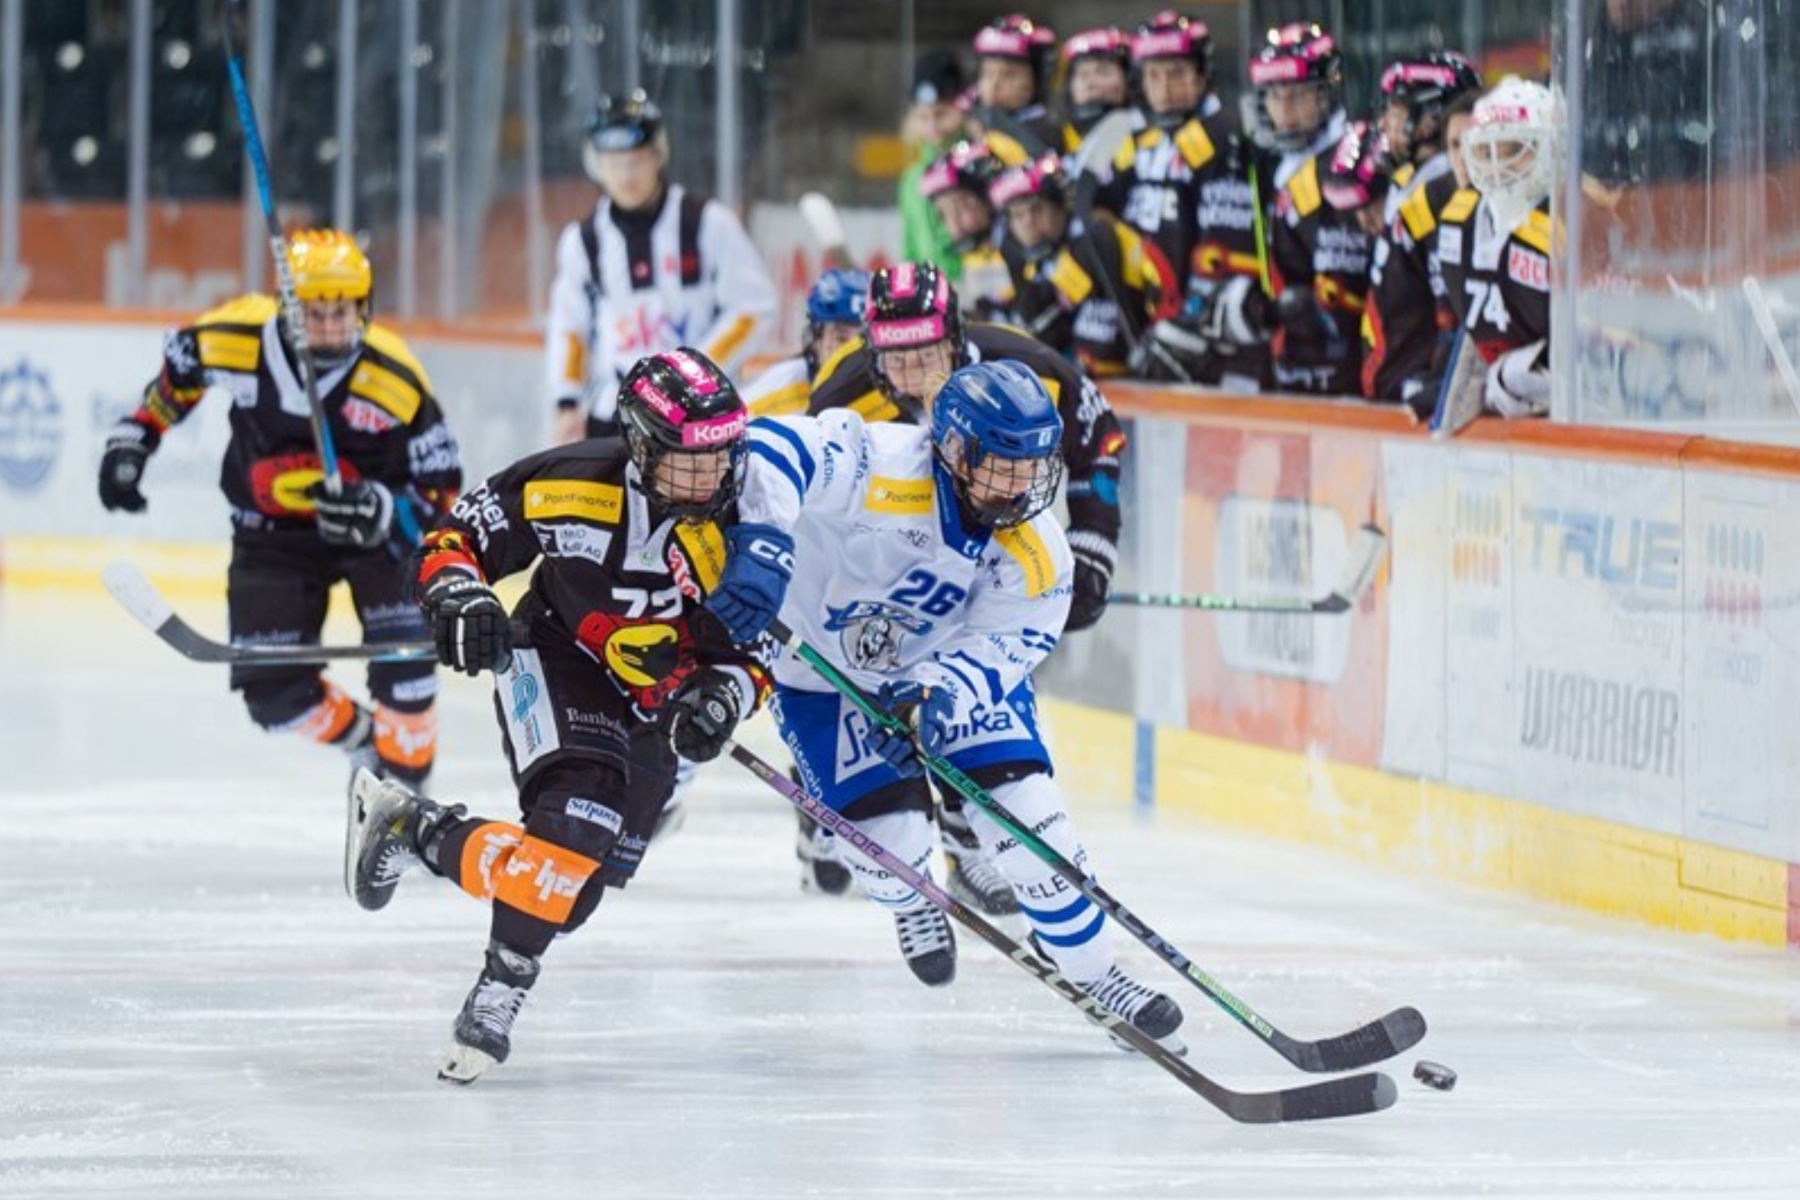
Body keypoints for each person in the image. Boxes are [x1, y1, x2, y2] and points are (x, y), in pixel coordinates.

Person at [717, 359, 1183, 1051]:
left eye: (1034, 468)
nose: (1023, 487)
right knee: (892, 847)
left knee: (1033, 825)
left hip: (940, 669)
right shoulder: (880, 462)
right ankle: (912, 898)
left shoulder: (1037, 548)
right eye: (1004, 467)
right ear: (955, 448)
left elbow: (1013, 640)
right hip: (818, 670)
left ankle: (1096, 975)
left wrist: (943, 688)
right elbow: (767, 450)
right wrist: (760, 544)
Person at [345, 348, 778, 1083]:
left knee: (568, 891)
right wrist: (460, 597)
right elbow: (456, 540)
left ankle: (412, 827)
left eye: (720, 458)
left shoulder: (759, 511)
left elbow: (771, 641)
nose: (711, 479)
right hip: (557, 654)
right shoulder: (566, 485)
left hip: (656, 701)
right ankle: (500, 989)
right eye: (689, 461)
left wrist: (727, 693)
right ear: (640, 446)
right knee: (577, 820)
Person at [98, 229, 459, 790]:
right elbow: (177, 380)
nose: (331, 327)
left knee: (407, 674)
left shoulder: (396, 378)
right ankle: (363, 739)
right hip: (272, 537)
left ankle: (409, 797)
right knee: (274, 697)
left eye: (345, 312)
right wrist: (134, 439)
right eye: (315, 313)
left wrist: (387, 511)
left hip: (376, 540)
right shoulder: (232, 338)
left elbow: (443, 492)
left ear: (366, 307)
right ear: (287, 307)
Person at [545, 90, 776, 444]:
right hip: (613, 415)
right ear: (596, 164)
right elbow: (569, 326)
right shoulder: (583, 242)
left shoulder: (707, 224)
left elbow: (754, 307)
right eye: (613, 162)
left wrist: (694, 375)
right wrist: (567, 402)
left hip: (702, 414)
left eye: (636, 160)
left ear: (657, 156)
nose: (625, 174)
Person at [1107, 10, 1269, 389]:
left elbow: (1225, 260)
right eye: (1153, 75)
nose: (1163, 88)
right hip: (1162, 334)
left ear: (1202, 75)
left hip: (1221, 356)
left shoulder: (1220, 137)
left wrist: (1183, 329)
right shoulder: (1148, 140)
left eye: (1176, 74)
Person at [1358, 53, 1484, 409]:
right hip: (1396, 385)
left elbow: (1451, 314)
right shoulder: (1410, 182)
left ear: (1432, 120)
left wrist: (1437, 385)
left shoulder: (1444, 196)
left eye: (1398, 111)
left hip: (1419, 394)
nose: (1386, 122)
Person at [1256, 24, 1368, 396]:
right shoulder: (1278, 164)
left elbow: (1345, 277)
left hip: (1344, 370)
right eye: (1274, 96)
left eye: (1298, 96)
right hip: (1294, 365)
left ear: (1326, 95)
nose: (1284, 110)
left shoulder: (1346, 161)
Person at [988, 152, 1174, 376]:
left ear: (1060, 206)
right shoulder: (1027, 265)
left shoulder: (1100, 239)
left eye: (1036, 209)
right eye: (1017, 215)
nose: (1028, 222)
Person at [1437, 78, 1559, 419]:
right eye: (1486, 151)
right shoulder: (1456, 222)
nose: (1497, 168)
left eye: (1513, 151)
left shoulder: (1572, 225)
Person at [743, 267, 871, 418]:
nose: (852, 351)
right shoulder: (776, 392)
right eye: (841, 338)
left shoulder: (898, 388)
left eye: (865, 341)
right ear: (816, 339)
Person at [918, 138, 1018, 321]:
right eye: (944, 213)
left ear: (990, 199)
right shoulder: (974, 254)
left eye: (962, 206)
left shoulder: (1020, 248)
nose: (954, 223)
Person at [899, 50, 972, 278]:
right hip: (930, 302)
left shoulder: (977, 167)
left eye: (941, 114)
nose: (932, 126)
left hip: (974, 294)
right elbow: (911, 250)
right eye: (923, 117)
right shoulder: (912, 180)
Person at [968, 14, 1061, 164]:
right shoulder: (971, 121)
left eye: (1009, 75)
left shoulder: (1046, 130)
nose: (995, 84)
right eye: (987, 74)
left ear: (1038, 80)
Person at [1057, 26, 1134, 153]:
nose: (1091, 82)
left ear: (1129, 79)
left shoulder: (1146, 138)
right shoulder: (1057, 139)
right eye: (1083, 74)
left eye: (1104, 72)